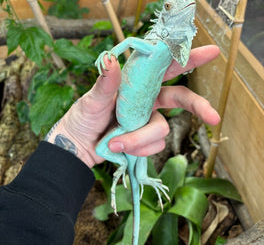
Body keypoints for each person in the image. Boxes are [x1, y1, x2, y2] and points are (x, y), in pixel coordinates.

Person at [0, 45, 220, 245]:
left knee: (137, 154)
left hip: (118, 124)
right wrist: (112, 52)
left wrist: (74, 140)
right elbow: (132, 40)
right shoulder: (154, 43)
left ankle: (141, 177)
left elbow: (19, 226)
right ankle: (139, 176)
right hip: (119, 129)